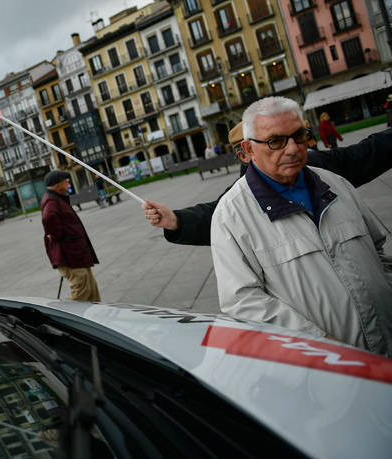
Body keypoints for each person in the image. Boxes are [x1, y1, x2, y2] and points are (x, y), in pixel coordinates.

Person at [211, 97, 391, 356]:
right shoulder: (230, 216)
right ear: (248, 150)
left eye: (299, 135)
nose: (293, 149)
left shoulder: (337, 184)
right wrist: (322, 345)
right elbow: (242, 302)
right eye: (276, 141)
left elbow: (377, 251)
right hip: (326, 371)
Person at [142, 123, 392, 247]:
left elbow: (362, 155)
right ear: (245, 154)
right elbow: (218, 215)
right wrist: (176, 220)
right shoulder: (242, 194)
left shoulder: (315, 165)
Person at [41, 170, 101, 302]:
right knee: (81, 290)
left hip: (76, 253)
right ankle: (64, 319)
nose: (68, 183)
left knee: (91, 289)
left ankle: (96, 315)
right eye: (65, 181)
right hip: (69, 254)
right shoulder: (52, 201)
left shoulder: (56, 198)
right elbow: (48, 218)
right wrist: (57, 235)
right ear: (57, 186)